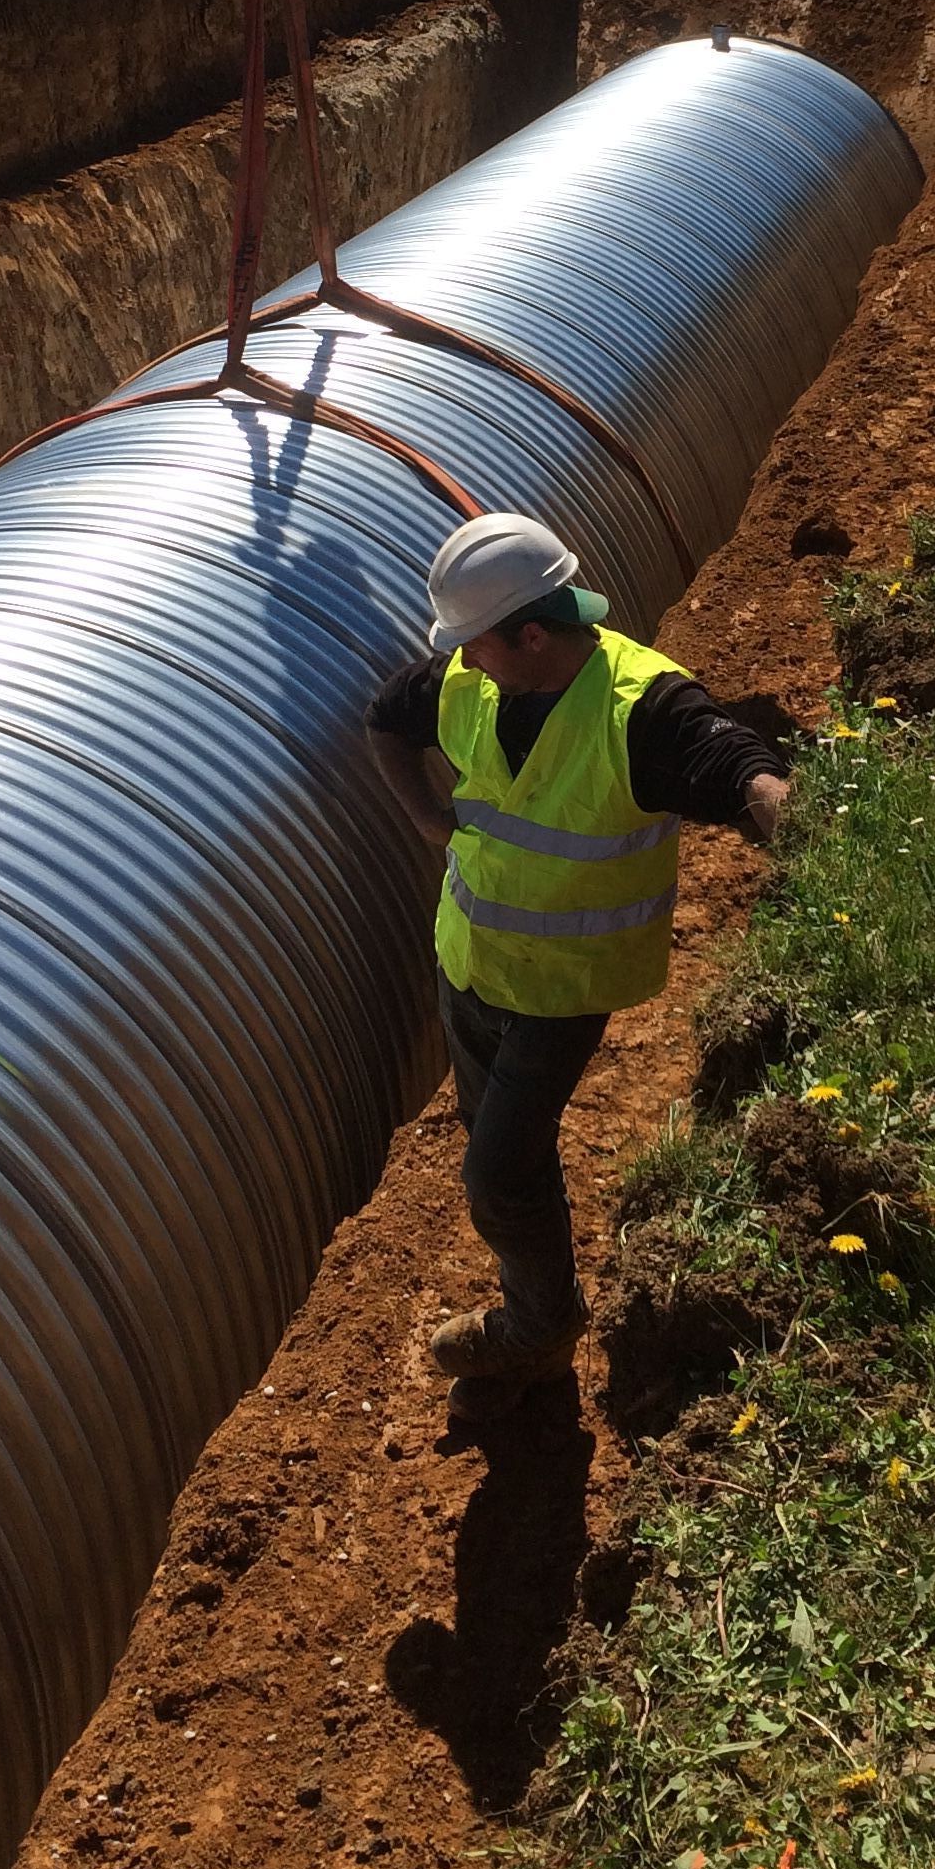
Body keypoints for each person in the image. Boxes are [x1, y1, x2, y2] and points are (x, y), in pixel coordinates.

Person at [365, 511, 791, 1427]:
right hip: (471, 960)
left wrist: (780, 805)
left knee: (498, 1174)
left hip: (564, 990)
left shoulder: (638, 708)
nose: (463, 665)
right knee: (500, 1148)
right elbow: (385, 720)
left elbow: (727, 759)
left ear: (531, 632)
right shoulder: (467, 679)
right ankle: (540, 1310)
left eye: (477, 646)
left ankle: (537, 1333)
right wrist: (429, 824)